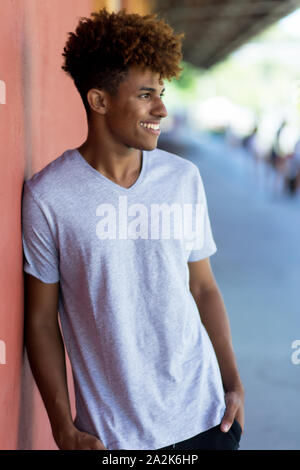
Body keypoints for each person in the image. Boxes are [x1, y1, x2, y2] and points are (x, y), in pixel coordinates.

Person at [21, 8, 244, 451]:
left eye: (161, 93)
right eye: (146, 95)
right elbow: (42, 320)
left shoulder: (183, 179)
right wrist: (63, 427)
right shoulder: (50, 196)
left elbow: (203, 288)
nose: (161, 108)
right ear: (99, 101)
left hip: (206, 418)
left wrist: (233, 385)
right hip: (113, 438)